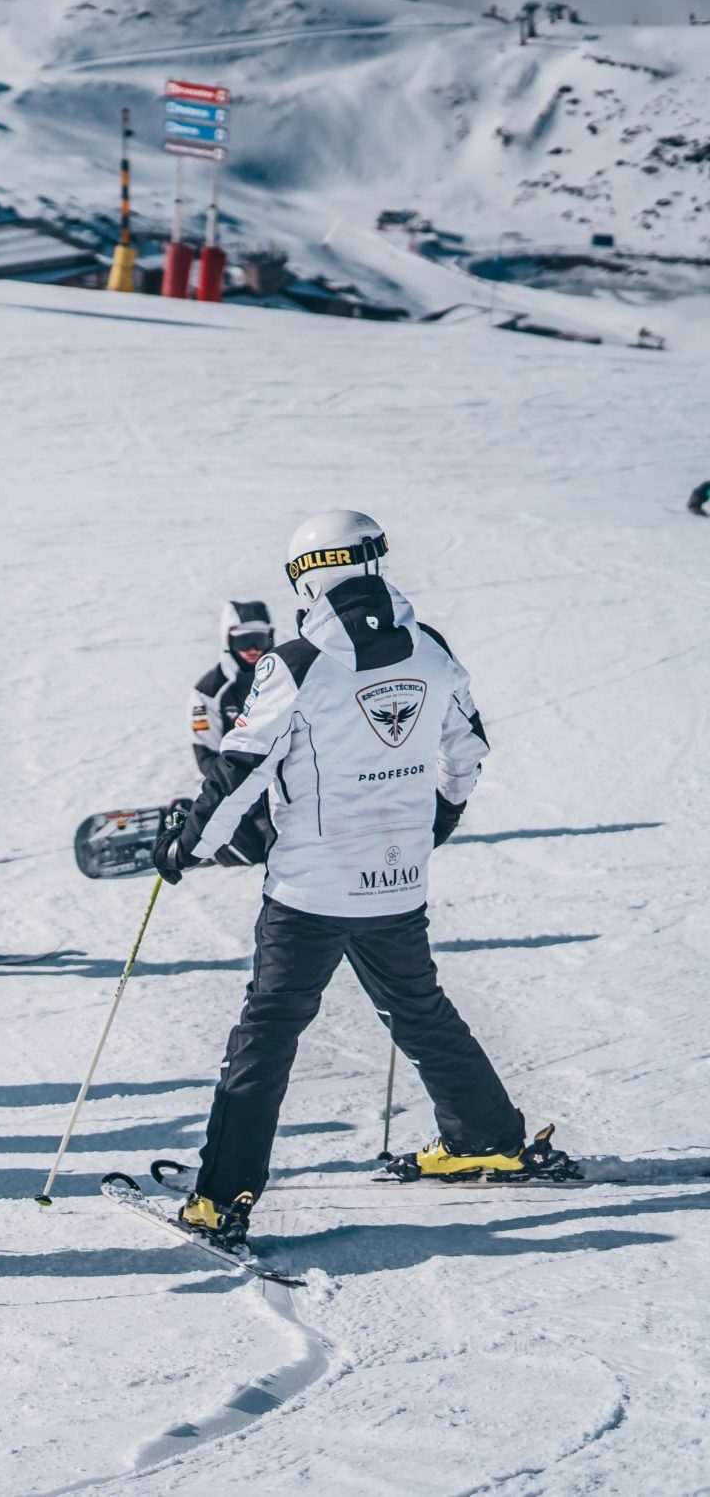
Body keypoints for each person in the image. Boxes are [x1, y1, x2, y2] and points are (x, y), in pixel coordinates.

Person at [153, 509, 574, 1246]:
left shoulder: (297, 661)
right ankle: (488, 1136)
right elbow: (467, 749)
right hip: (397, 881)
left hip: (309, 892)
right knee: (419, 1009)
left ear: (311, 574)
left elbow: (240, 770)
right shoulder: (430, 647)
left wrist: (187, 848)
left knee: (268, 1031)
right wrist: (433, 826)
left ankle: (221, 1198)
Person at [186, 600, 276, 866]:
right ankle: (186, 818)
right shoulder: (210, 692)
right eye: (242, 641)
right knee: (255, 853)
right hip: (239, 786)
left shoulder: (284, 677)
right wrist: (245, 790)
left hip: (282, 782)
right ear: (228, 641)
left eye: (259, 639)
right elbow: (206, 755)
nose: (252, 649)